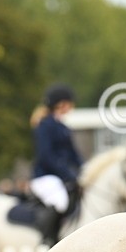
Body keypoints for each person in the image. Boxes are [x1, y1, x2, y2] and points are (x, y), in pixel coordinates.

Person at [29, 84, 85, 217]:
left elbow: (73, 154)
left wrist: (84, 169)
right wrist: (68, 174)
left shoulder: (63, 127)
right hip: (46, 177)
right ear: (61, 104)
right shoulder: (44, 126)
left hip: (62, 177)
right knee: (60, 202)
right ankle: (48, 237)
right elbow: (46, 156)